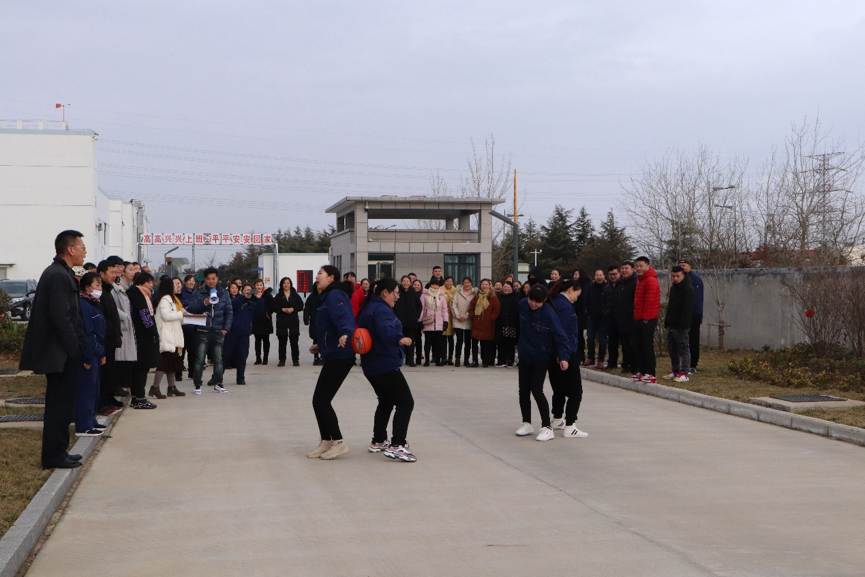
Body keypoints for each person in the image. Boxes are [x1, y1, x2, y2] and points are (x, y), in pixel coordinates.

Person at [20, 231, 88, 468]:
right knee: (59, 405)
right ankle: (53, 455)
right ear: (70, 249)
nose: (84, 251)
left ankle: (59, 450)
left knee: (63, 404)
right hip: (61, 353)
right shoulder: (58, 275)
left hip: (63, 351)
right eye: (82, 247)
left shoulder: (62, 273)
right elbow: (61, 318)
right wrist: (73, 348)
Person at [356, 277, 417, 462]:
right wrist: (399, 339)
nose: (397, 296)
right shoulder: (382, 309)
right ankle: (398, 445)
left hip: (371, 365)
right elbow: (385, 329)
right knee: (406, 402)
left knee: (386, 400)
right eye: (395, 293)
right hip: (385, 364)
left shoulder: (369, 307)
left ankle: (379, 440)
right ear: (385, 292)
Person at [307, 266, 356, 460]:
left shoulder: (335, 295)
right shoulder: (327, 296)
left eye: (320, 273)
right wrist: (321, 345)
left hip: (341, 355)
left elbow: (345, 318)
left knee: (321, 401)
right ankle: (326, 440)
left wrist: (345, 333)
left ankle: (338, 442)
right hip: (334, 353)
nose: (317, 277)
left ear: (331, 278)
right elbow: (329, 326)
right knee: (320, 401)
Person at [515, 284, 570, 442]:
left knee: (536, 389)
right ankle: (526, 423)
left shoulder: (548, 313)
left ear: (544, 300)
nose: (533, 304)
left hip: (541, 356)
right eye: (531, 299)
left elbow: (560, 336)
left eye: (537, 301)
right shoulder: (522, 305)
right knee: (523, 390)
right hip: (525, 354)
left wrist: (563, 357)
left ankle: (547, 427)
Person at [548, 280, 589, 438]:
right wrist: (564, 355)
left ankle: (557, 418)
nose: (576, 299)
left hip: (554, 353)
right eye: (577, 295)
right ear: (571, 290)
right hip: (565, 353)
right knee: (575, 391)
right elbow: (562, 333)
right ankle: (570, 424)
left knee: (558, 388)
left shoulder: (553, 302)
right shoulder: (565, 307)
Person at [186, 267, 233, 393]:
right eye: (208, 279)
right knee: (199, 359)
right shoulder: (198, 292)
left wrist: (225, 329)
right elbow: (191, 309)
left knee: (218, 359)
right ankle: (197, 385)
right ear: (205, 280)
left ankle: (218, 383)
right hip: (202, 331)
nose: (211, 281)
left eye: (213, 278)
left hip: (218, 331)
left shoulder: (223, 293)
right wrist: (205, 303)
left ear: (217, 279)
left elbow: (229, 312)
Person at [75, 272, 106, 437]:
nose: (100, 289)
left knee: (94, 388)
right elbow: (86, 333)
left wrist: (101, 353)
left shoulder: (94, 304)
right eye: (97, 285)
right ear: (87, 287)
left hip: (96, 351)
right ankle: (83, 424)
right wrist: (87, 356)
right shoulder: (84, 305)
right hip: (89, 352)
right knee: (86, 389)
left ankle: (91, 419)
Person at [126, 272, 160, 408]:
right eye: (148, 282)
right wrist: (154, 332)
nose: (151, 285)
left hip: (136, 336)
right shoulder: (139, 297)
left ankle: (136, 397)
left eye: (152, 282)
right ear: (140, 283)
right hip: (142, 338)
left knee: (138, 369)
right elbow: (146, 318)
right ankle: (140, 398)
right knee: (141, 368)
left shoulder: (134, 294)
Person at [96, 259, 124, 414]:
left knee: (110, 372)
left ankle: (109, 398)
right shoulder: (100, 293)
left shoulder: (108, 291)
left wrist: (118, 332)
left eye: (115, 272)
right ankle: (103, 402)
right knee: (104, 373)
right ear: (102, 273)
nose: (115, 275)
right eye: (112, 273)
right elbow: (103, 318)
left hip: (112, 338)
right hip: (104, 339)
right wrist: (114, 331)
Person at [152, 276, 186, 397]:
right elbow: (166, 316)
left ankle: (172, 387)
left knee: (171, 363)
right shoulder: (165, 300)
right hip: (166, 336)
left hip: (172, 335)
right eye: (174, 284)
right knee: (164, 363)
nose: (177, 287)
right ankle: (155, 387)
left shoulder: (172, 299)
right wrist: (180, 313)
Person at [224, 284, 264, 384]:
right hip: (232, 333)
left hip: (244, 334)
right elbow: (233, 304)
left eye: (250, 290)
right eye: (246, 290)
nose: (248, 292)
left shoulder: (252, 304)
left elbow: (260, 311)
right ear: (241, 291)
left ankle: (240, 377)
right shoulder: (236, 301)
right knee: (225, 355)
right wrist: (243, 296)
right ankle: (217, 377)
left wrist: (259, 299)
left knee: (242, 356)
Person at [663, 266, 695, 383]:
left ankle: (685, 372)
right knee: (673, 350)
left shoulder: (688, 289)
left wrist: (683, 325)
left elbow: (687, 310)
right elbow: (670, 306)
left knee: (683, 349)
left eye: (678, 276)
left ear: (683, 275)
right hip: (671, 324)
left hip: (681, 326)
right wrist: (667, 321)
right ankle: (675, 370)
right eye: (673, 276)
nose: (675, 278)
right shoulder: (673, 288)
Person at [633, 256, 661, 383]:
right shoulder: (640, 280)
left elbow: (649, 302)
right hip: (639, 318)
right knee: (639, 345)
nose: (639, 268)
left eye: (641, 266)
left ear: (648, 266)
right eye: (637, 266)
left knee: (647, 345)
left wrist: (645, 319)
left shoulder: (650, 280)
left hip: (648, 319)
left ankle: (651, 372)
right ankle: (642, 371)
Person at [678, 259, 704, 373]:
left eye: (684, 265)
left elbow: (697, 300)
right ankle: (684, 363)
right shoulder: (680, 280)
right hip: (683, 317)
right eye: (680, 266)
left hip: (693, 316)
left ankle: (693, 364)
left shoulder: (695, 279)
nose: (682, 268)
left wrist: (695, 315)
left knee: (692, 340)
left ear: (689, 267)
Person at [273, 276, 304, 367]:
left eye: (288, 283)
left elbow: (301, 305)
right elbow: (274, 306)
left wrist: (293, 309)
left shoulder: (295, 295)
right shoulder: (278, 296)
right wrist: (282, 309)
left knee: (294, 340)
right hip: (282, 320)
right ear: (281, 284)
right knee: (282, 341)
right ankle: (282, 360)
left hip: (293, 320)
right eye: (284, 283)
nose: (286, 285)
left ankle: (295, 359)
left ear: (290, 284)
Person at [470, 279, 501, 368]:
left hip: (488, 324)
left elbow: (497, 309)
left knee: (485, 344)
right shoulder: (476, 296)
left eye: (486, 284)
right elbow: (471, 307)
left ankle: (485, 361)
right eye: (483, 284)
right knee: (474, 342)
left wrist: (492, 318)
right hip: (477, 323)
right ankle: (475, 360)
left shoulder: (493, 297)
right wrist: (473, 315)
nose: (484, 286)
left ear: (489, 286)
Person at [616, 261, 639, 377]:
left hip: (632, 318)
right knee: (624, 344)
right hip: (622, 319)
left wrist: (629, 312)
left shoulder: (636, 282)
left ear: (632, 269)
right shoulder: (621, 283)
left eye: (627, 268)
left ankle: (635, 367)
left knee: (633, 344)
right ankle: (626, 365)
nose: (624, 270)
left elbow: (636, 301)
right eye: (622, 268)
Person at [419, 277, 448, 366]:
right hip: (428, 323)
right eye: (433, 285)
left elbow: (444, 310)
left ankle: (438, 360)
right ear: (430, 285)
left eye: (436, 285)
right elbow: (422, 309)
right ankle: (427, 360)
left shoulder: (441, 296)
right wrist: (420, 320)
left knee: (438, 343)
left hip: (439, 324)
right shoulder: (424, 295)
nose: (435, 287)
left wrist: (446, 321)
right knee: (428, 343)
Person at [583, 269, 608, 369]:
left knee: (602, 340)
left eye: (601, 275)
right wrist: (588, 313)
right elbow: (586, 301)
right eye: (597, 275)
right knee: (590, 339)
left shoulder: (607, 287)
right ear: (594, 277)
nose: (599, 277)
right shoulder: (589, 287)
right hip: (592, 317)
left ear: (604, 276)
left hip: (603, 318)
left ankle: (601, 359)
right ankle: (591, 358)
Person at [393, 275, 421, 367]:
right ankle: (400, 358)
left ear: (410, 283)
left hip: (411, 321)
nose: (405, 283)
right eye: (404, 281)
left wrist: (416, 315)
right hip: (400, 321)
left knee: (410, 341)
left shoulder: (413, 293)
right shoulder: (397, 292)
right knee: (400, 340)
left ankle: (410, 359)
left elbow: (419, 306)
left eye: (407, 281)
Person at [451, 277, 476, 367]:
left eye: (468, 282)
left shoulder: (474, 294)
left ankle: (466, 359)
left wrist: (466, 315)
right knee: (459, 340)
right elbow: (453, 305)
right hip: (458, 320)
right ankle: (457, 359)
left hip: (468, 320)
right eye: (465, 282)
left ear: (471, 283)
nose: (467, 284)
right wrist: (458, 316)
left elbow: (474, 306)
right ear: (462, 283)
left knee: (468, 341)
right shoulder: (457, 292)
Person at [494, 281, 519, 367]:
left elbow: (516, 311)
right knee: (501, 342)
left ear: (511, 288)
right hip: (500, 322)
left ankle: (510, 361)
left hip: (511, 324)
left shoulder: (514, 298)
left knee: (510, 343)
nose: (506, 288)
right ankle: (501, 360)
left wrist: (511, 320)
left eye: (508, 287)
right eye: (505, 287)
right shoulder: (499, 297)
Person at [179, 275, 199, 380]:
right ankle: (178, 373)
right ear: (185, 282)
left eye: (193, 281)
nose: (191, 282)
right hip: (182, 325)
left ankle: (192, 372)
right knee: (181, 350)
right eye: (189, 281)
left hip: (193, 325)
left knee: (193, 351)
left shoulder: (196, 293)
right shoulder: (181, 293)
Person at [603, 266, 622, 370]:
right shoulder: (607, 287)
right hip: (610, 319)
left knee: (625, 343)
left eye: (614, 274)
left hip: (621, 318)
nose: (613, 276)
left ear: (619, 273)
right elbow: (603, 302)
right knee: (612, 343)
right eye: (610, 274)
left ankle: (626, 363)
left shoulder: (623, 285)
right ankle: (612, 362)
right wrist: (606, 312)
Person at [252, 278, 274, 365]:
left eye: (260, 285)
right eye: (257, 285)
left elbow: (272, 306)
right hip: (256, 320)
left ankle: (265, 358)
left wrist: (267, 314)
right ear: (254, 286)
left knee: (266, 340)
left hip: (266, 320)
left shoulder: (267, 294)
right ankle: (258, 358)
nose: (259, 287)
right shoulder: (252, 294)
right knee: (257, 340)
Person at [571, 268, 590, 362]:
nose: (574, 276)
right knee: (577, 334)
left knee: (579, 334)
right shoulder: (576, 285)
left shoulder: (584, 286)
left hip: (581, 313)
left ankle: (580, 354)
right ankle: (579, 353)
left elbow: (582, 300)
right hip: (577, 312)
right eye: (574, 274)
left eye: (576, 274)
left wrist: (574, 308)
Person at [303, 281, 322, 365]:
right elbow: (307, 308)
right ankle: (316, 357)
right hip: (314, 321)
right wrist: (306, 319)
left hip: (324, 321)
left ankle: (323, 356)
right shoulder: (311, 297)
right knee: (316, 339)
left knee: (324, 339)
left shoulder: (327, 296)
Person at [442, 276, 457, 365]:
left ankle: (450, 358)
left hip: (452, 316)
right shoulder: (440, 290)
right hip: (442, 316)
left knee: (451, 339)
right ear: (444, 282)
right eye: (447, 281)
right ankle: (443, 357)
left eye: (450, 281)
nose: (449, 283)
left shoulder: (455, 291)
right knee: (443, 339)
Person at [411, 279, 425, 365]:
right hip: (411, 320)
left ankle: (419, 358)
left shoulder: (423, 295)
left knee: (418, 340)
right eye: (415, 285)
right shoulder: (410, 294)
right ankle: (410, 358)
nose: (416, 286)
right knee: (411, 340)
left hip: (420, 320)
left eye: (418, 285)